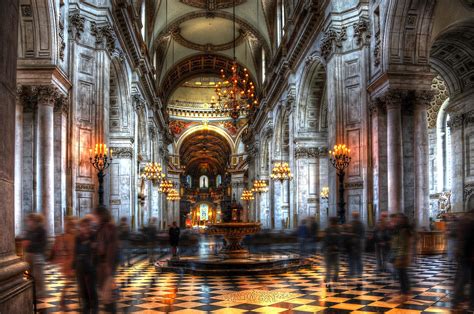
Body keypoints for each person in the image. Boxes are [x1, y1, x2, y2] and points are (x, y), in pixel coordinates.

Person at [94, 206, 119, 313]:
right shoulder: (102, 227)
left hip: (106, 265)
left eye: (96, 215)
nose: (94, 217)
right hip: (102, 265)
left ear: (100, 215)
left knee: (107, 295)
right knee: (105, 295)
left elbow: (110, 248)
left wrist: (109, 267)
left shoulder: (108, 228)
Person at [50, 217, 77, 309]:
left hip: (68, 262)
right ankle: (63, 300)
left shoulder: (64, 236)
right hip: (70, 263)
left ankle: (64, 300)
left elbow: (56, 250)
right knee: (70, 281)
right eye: (73, 224)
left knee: (71, 281)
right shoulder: (70, 237)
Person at [74, 216, 98, 314]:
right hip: (80, 265)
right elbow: (76, 251)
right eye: (83, 226)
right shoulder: (78, 237)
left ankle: (95, 306)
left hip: (91, 265)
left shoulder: (94, 236)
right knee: (82, 287)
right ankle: (86, 305)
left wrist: (88, 246)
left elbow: (95, 250)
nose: (85, 228)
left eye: (87, 226)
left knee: (92, 287)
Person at [451, 209, 474, 311]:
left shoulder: (463, 220)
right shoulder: (470, 221)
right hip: (468, 255)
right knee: (463, 280)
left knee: (461, 279)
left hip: (462, 254)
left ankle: (459, 301)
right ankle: (459, 302)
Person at [23, 213, 47, 298]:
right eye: (28, 221)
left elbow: (43, 244)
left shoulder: (41, 230)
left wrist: (30, 243)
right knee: (29, 274)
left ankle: (40, 292)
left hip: (37, 255)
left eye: (30, 220)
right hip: (28, 254)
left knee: (38, 275)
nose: (28, 222)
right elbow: (26, 239)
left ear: (34, 221)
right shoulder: (29, 230)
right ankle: (31, 291)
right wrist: (26, 243)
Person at [391, 213, 413, 302]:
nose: (396, 220)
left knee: (402, 275)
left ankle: (404, 294)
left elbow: (403, 245)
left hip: (402, 256)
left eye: (398, 219)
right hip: (400, 255)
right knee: (403, 274)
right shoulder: (399, 229)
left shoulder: (403, 231)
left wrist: (400, 256)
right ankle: (405, 291)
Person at [348, 212, 365, 286]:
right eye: (353, 215)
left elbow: (362, 235)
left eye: (355, 215)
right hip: (351, 244)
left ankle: (359, 273)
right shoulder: (351, 223)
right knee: (351, 259)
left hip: (358, 244)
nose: (354, 216)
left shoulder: (360, 224)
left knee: (358, 259)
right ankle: (352, 272)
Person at [323, 217, 341, 287]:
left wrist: (329, 246)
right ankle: (335, 278)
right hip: (335, 250)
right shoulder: (338, 230)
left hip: (329, 250)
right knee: (336, 266)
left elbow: (326, 240)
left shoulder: (328, 229)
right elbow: (340, 240)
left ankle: (328, 279)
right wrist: (337, 246)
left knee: (328, 266)